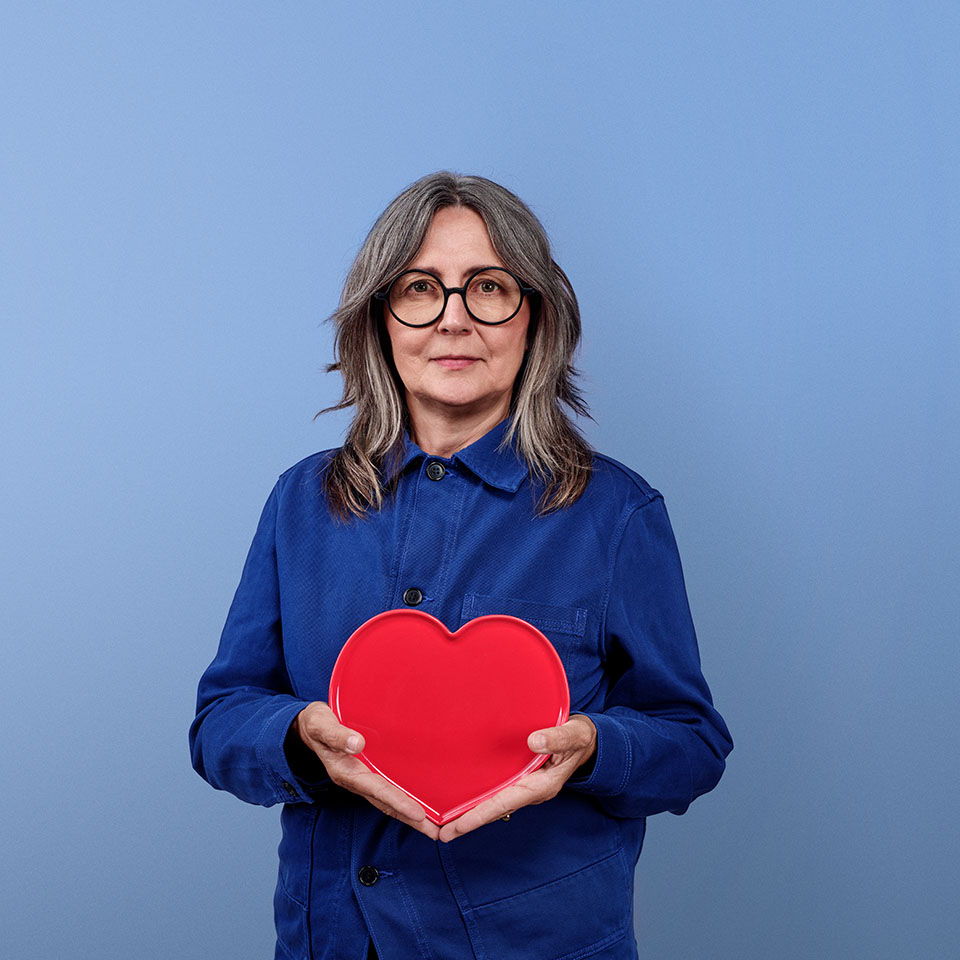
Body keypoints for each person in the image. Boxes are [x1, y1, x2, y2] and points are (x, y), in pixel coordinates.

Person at [188, 170, 734, 960]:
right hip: (328, 939)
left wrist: (592, 748)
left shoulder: (616, 514)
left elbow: (692, 744)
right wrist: (297, 738)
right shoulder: (301, 502)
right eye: (420, 289)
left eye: (488, 288)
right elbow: (219, 722)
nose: (454, 320)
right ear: (380, 319)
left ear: (535, 317)